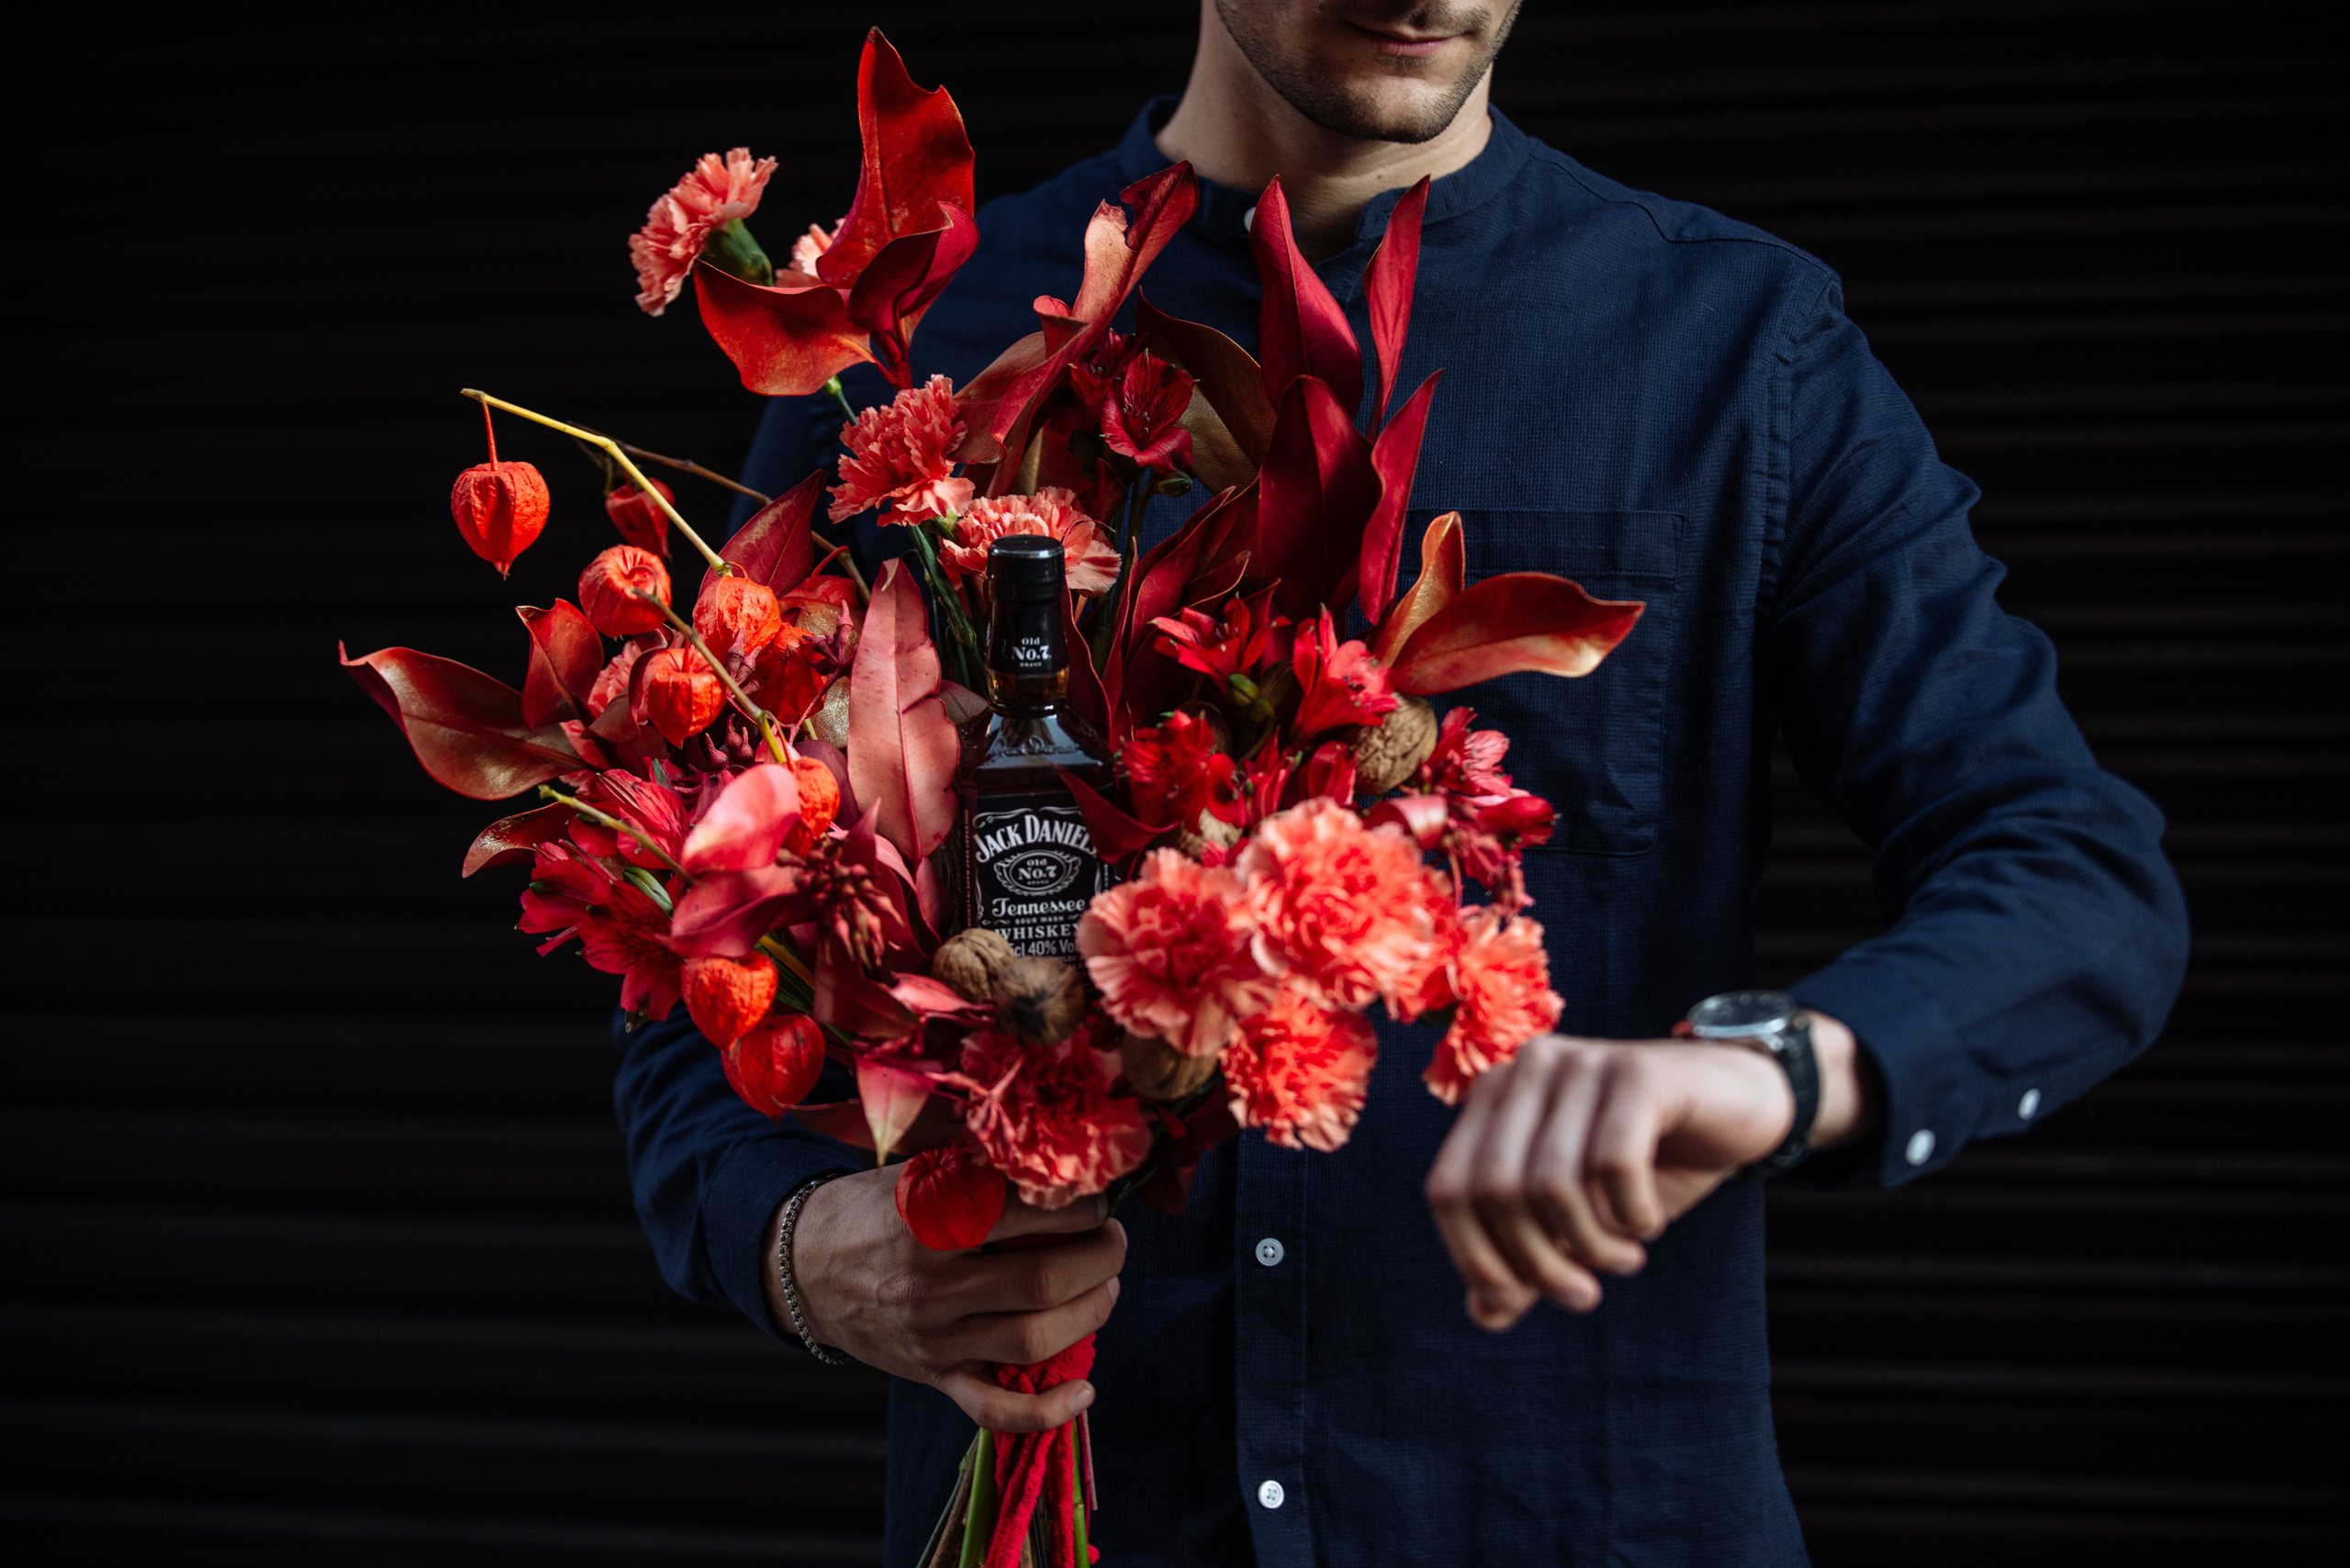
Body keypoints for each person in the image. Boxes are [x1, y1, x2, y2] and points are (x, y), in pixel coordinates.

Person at [617, 4, 2189, 1562]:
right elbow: (702, 936)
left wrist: (1767, 1068)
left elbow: (2074, 874)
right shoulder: (922, 356)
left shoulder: (1737, 352)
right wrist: (805, 1250)